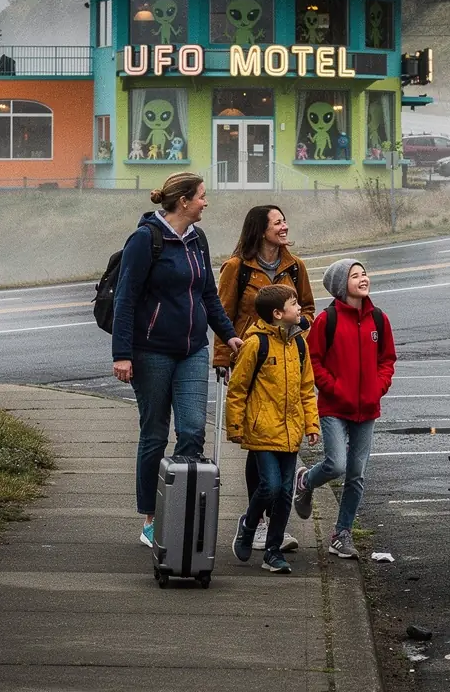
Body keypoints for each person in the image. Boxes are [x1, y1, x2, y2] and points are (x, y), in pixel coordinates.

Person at [111, 171, 242, 548]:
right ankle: (152, 518)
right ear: (183, 201)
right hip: (150, 350)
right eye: (202, 196)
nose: (206, 202)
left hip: (192, 350)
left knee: (191, 431)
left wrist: (227, 333)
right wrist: (122, 354)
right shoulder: (145, 239)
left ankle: (178, 512)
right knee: (154, 433)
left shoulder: (197, 238)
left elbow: (208, 294)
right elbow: (125, 299)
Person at [214, 204, 315, 552]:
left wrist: (301, 330)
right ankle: (255, 524)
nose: (284, 227)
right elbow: (222, 313)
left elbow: (309, 309)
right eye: (277, 222)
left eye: (285, 220)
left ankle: (270, 522)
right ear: (260, 229)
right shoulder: (237, 267)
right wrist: (222, 359)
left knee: (276, 438)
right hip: (251, 360)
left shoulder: (295, 266)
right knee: (260, 439)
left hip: (285, 359)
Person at [293, 259, 396, 559]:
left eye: (364, 273)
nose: (363, 278)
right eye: (355, 275)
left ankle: (341, 533)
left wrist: (379, 387)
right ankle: (305, 480)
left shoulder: (379, 319)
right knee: (336, 464)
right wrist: (335, 389)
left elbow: (387, 359)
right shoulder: (328, 320)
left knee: (356, 474)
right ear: (341, 285)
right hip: (334, 408)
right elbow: (313, 361)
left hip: (368, 410)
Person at [227, 285, 320, 573]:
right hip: (262, 430)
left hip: (290, 432)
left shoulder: (298, 345)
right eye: (294, 304)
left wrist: (311, 423)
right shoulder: (255, 344)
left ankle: (272, 551)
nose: (299, 309)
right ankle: (249, 524)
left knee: (283, 494)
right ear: (278, 314)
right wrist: (235, 425)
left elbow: (306, 388)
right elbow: (238, 388)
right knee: (269, 485)